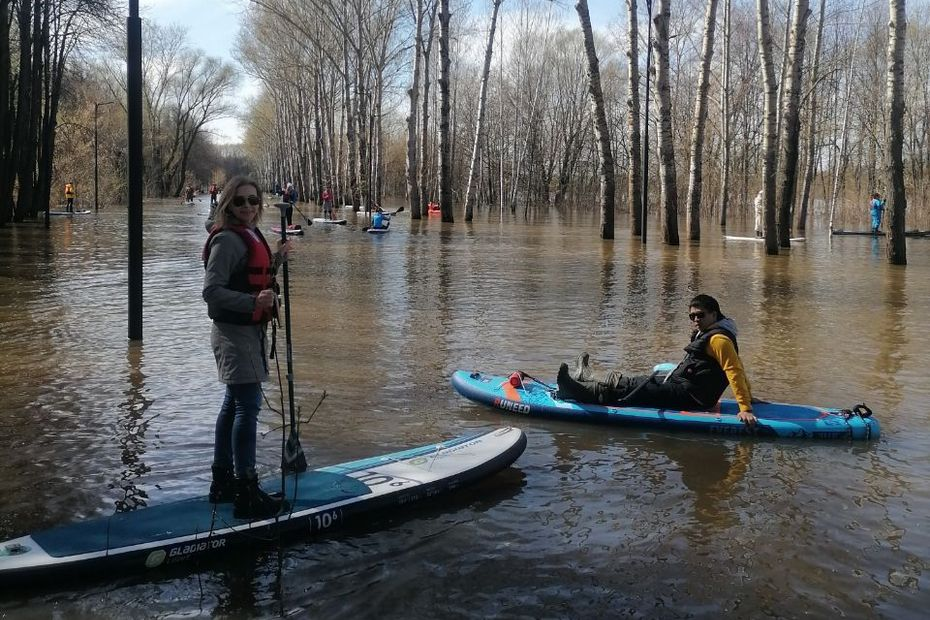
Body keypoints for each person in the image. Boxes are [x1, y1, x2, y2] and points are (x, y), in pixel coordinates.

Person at [202, 175, 291, 519]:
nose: (248, 207)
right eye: (240, 202)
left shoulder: (250, 234)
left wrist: (278, 260)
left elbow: (257, 276)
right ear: (228, 204)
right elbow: (212, 291)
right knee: (247, 407)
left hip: (247, 331)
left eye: (253, 201)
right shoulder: (226, 240)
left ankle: (222, 482)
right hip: (233, 334)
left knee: (233, 404)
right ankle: (246, 490)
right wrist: (254, 299)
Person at [556, 294, 757, 426]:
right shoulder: (713, 333)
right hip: (685, 387)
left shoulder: (718, 340)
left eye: (700, 315)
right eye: (692, 316)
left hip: (693, 398)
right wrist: (749, 395)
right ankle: (588, 376)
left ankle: (577, 391)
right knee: (636, 381)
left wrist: (745, 408)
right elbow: (737, 366)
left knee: (634, 390)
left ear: (714, 314)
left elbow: (734, 370)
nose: (696, 320)